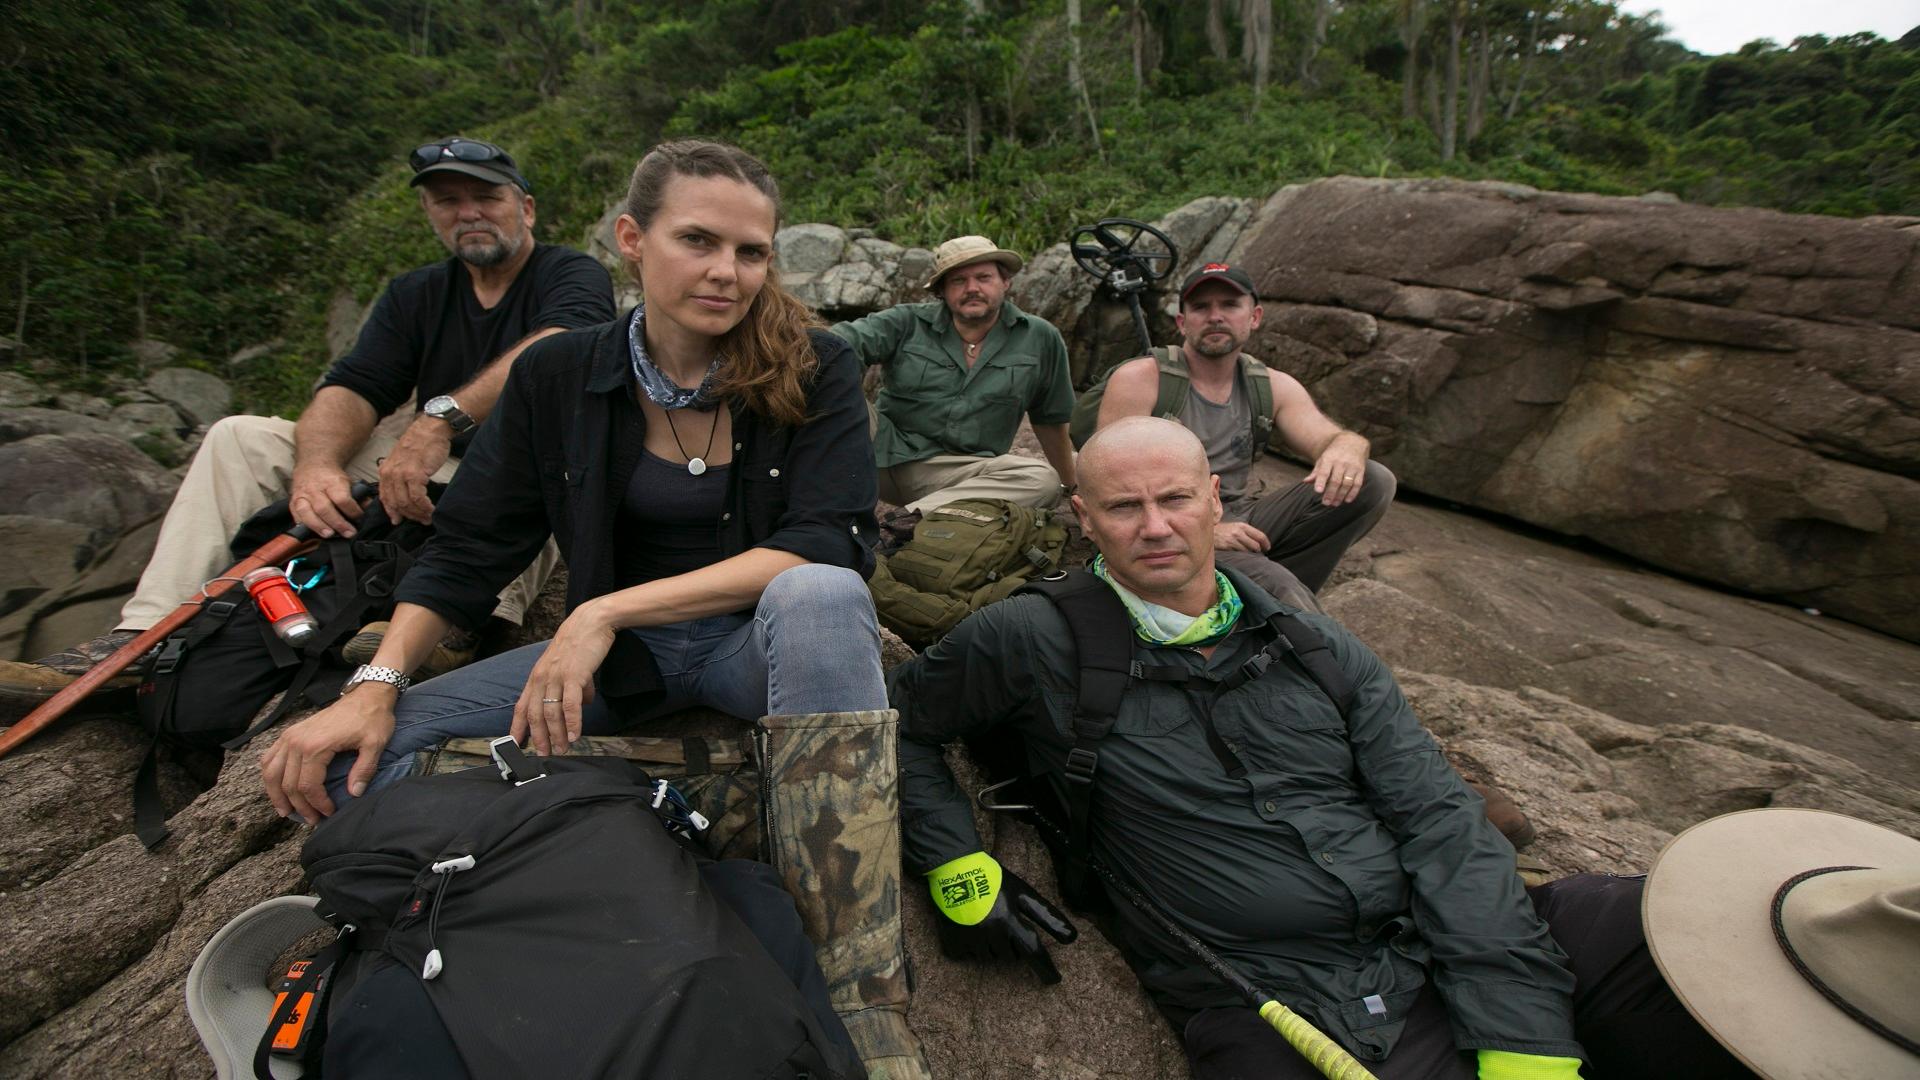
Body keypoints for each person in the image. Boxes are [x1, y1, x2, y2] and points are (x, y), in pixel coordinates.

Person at [258, 139, 924, 1077]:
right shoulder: (558, 375)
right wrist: (373, 681)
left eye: (751, 251)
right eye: (697, 240)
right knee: (349, 768)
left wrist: (597, 612)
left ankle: (857, 987)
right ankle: (573, 876)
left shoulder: (814, 363)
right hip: (630, 669)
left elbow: (825, 540)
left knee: (823, 594)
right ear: (630, 240)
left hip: (756, 651)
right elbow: (469, 548)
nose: (726, 272)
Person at [889, 417, 1753, 1079]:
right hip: (1268, 991)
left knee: (1687, 930)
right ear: (1086, 518)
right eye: (1125, 506)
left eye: (1176, 499)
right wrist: (957, 866)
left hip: (1428, 931)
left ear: (1216, 501)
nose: (1155, 526)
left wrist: (1519, 1034)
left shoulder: (1309, 642)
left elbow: (1440, 820)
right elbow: (902, 723)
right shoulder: (1029, 636)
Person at [0, 137, 613, 708]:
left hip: (514, 458)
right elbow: (355, 386)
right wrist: (316, 467)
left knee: (537, 460)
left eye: (487, 197)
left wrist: (437, 421)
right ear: (431, 214)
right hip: (417, 462)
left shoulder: (570, 274)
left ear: (526, 209)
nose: (469, 212)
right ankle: (143, 636)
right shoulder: (414, 294)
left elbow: (558, 348)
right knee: (237, 437)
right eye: (448, 201)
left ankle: (460, 621)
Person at [1094, 263, 1394, 609]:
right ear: (1182, 322)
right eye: (1201, 307)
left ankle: (1265, 597)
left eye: (1230, 305)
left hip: (1238, 514)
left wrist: (1348, 446)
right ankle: (1281, 606)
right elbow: (1108, 482)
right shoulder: (1141, 379)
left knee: (1373, 480)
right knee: (1278, 584)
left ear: (1254, 317)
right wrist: (1205, 532)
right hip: (1168, 524)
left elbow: (1327, 435)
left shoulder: (1270, 385)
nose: (1215, 316)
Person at [830, 235, 1077, 527]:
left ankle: (906, 519)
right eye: (958, 281)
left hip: (962, 474)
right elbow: (836, 344)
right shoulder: (906, 322)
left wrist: (1070, 490)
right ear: (943, 291)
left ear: (1005, 282)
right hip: (879, 455)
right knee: (824, 382)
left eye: (983, 277)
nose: (972, 288)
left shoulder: (1040, 337)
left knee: (1042, 481)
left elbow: (1050, 422)